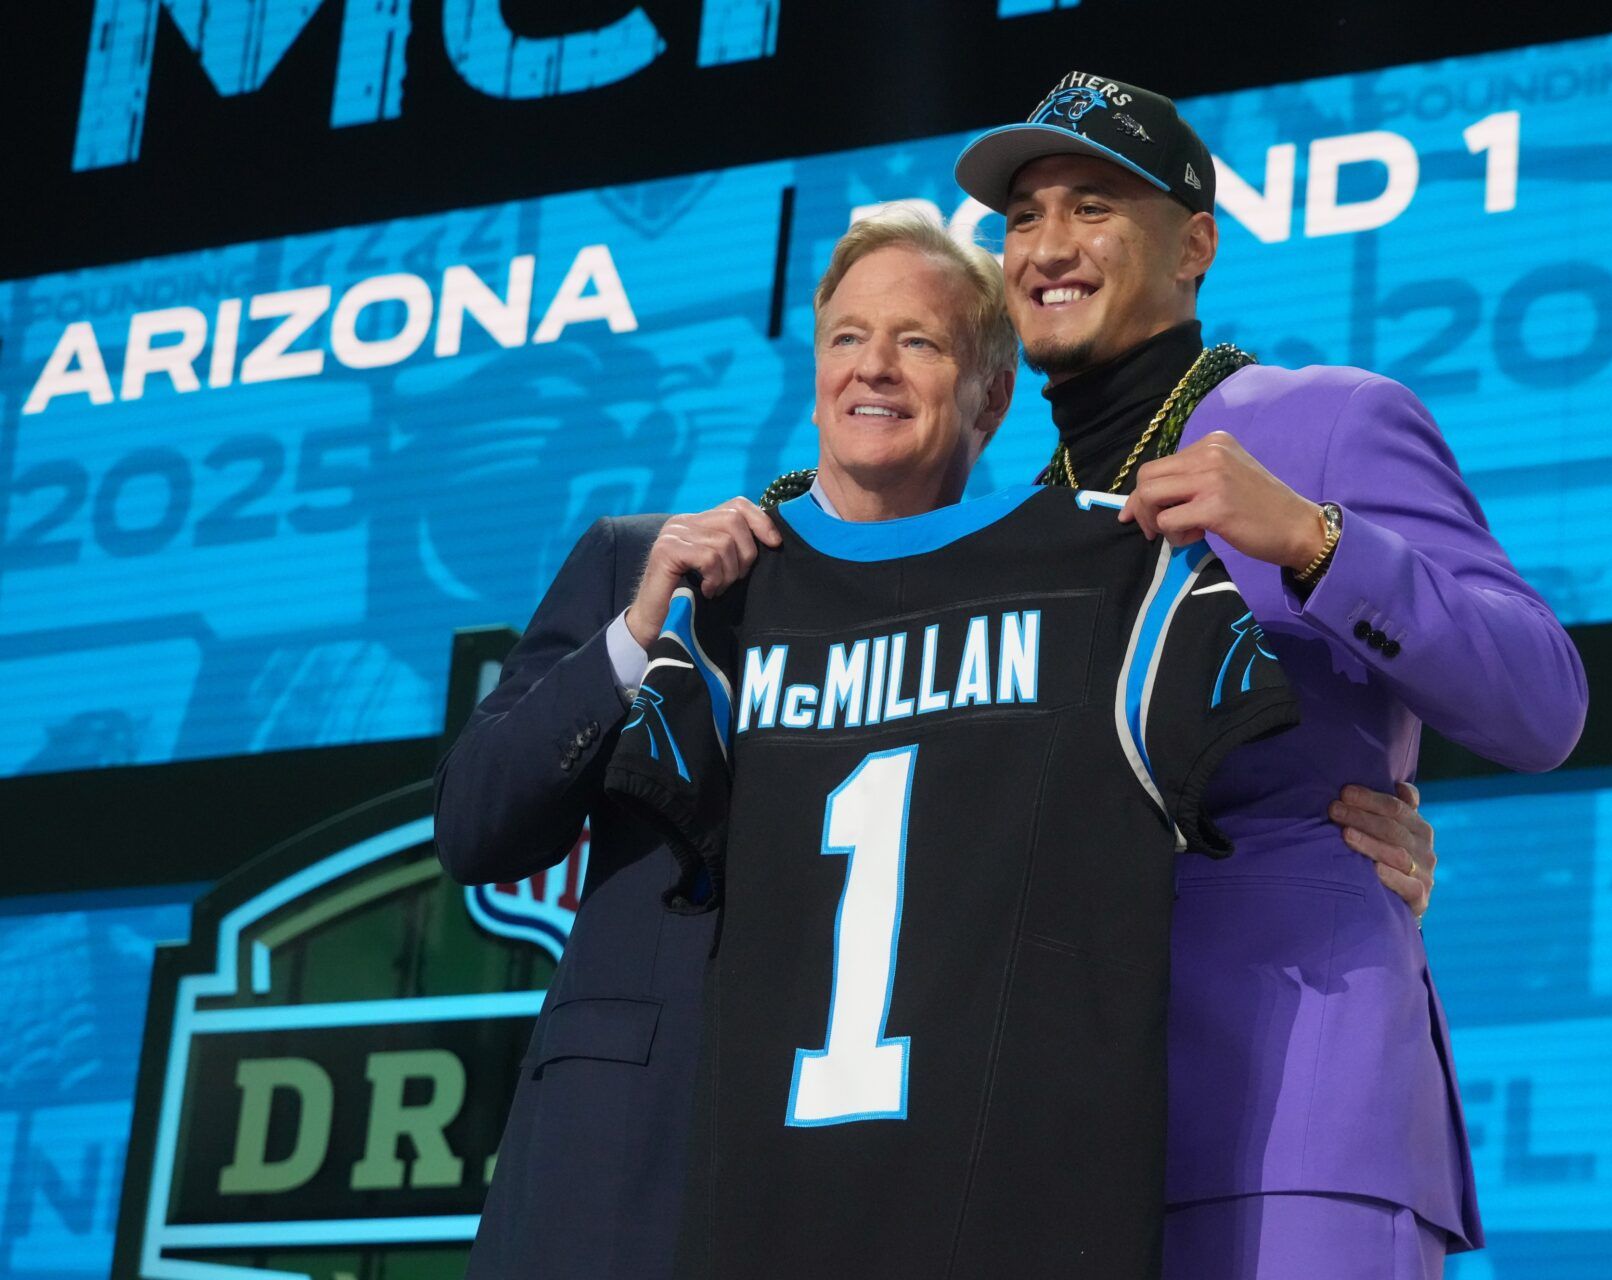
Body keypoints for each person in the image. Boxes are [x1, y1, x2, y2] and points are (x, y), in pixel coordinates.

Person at [434, 210, 1438, 1279]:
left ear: (990, 395)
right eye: (847, 338)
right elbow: (477, 824)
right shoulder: (653, 567)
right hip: (639, 1150)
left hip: (899, 1178)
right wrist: (638, 635)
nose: (875, 368)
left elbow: (1155, 817)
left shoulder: (1061, 596)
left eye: (920, 341)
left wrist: (1355, 843)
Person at [947, 74, 1589, 1277]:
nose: (1046, 246)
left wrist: (1317, 541)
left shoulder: (1327, 422)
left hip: (1296, 1100)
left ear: (1195, 244)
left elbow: (1542, 702)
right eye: (1022, 218)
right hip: (1062, 1126)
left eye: (1092, 206)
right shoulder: (1018, 526)